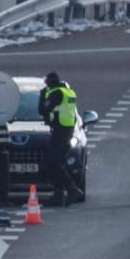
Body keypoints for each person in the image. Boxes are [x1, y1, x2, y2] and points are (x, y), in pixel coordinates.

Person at [38, 72, 83, 206]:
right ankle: (58, 195)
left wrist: (42, 95)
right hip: (67, 130)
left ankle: (72, 189)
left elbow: (42, 110)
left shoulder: (56, 93)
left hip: (60, 131)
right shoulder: (69, 92)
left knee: (53, 162)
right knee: (59, 163)